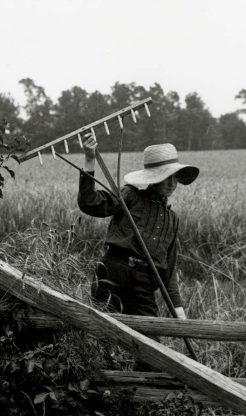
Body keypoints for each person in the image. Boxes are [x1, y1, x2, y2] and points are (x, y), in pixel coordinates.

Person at [78, 133, 199, 319]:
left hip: (145, 285)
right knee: (106, 336)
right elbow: (90, 203)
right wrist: (89, 159)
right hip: (113, 275)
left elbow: (168, 269)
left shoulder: (172, 219)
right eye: (166, 177)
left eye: (175, 177)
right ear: (152, 178)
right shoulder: (130, 196)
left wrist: (179, 311)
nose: (172, 183)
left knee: (150, 341)